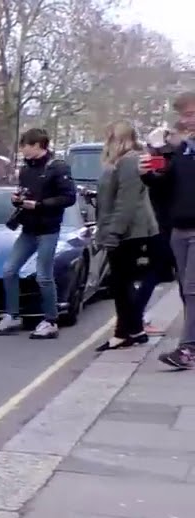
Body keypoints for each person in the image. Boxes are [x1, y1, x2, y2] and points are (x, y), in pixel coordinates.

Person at [0, 128, 77, 339]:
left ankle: (50, 321)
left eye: (25, 146)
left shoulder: (58, 168)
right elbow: (25, 190)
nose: (22, 151)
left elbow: (69, 197)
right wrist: (18, 199)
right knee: (9, 270)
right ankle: (12, 315)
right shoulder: (27, 169)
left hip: (48, 228)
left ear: (38, 146)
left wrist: (39, 205)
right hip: (28, 228)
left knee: (43, 275)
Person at [93, 122, 158, 351]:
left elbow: (126, 202)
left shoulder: (130, 160)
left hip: (130, 233)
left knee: (122, 284)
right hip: (124, 231)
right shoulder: (122, 161)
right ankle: (132, 331)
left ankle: (127, 332)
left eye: (108, 137)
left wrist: (113, 233)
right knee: (121, 285)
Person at [141, 91, 195, 370]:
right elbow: (165, 187)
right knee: (187, 291)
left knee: (193, 288)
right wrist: (149, 174)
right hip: (179, 228)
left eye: (190, 114)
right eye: (183, 115)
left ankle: (187, 350)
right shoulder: (183, 150)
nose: (186, 121)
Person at [137, 126, 179, 335]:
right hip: (168, 227)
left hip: (159, 226)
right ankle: (136, 318)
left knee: (154, 274)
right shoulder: (170, 163)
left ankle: (136, 317)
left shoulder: (159, 165)